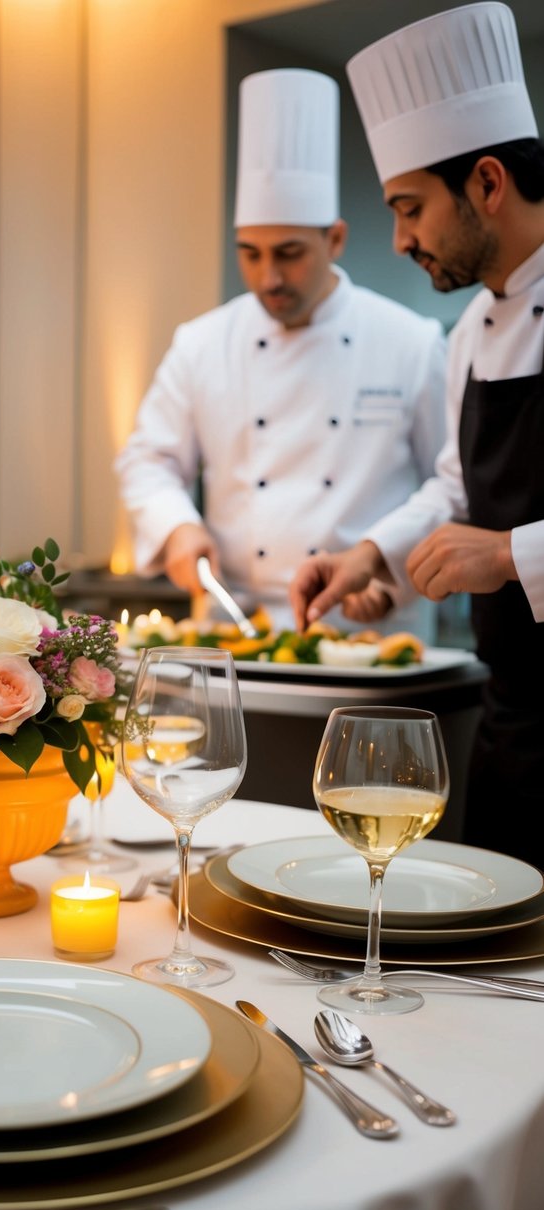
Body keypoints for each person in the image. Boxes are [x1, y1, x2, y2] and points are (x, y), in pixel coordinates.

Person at [289, 2, 544, 863]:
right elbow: (454, 488)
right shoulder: (472, 328)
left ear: (485, 182)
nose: (398, 240)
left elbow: (493, 534)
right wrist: (373, 553)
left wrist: (510, 555)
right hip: (513, 725)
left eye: (408, 208)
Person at [114, 67, 446, 636]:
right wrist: (176, 528)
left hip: (367, 632)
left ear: (334, 239)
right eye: (250, 253)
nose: (269, 278)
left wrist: (390, 573)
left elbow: (452, 484)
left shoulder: (411, 342)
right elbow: (148, 461)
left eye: (289, 253)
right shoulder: (201, 344)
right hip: (231, 629)